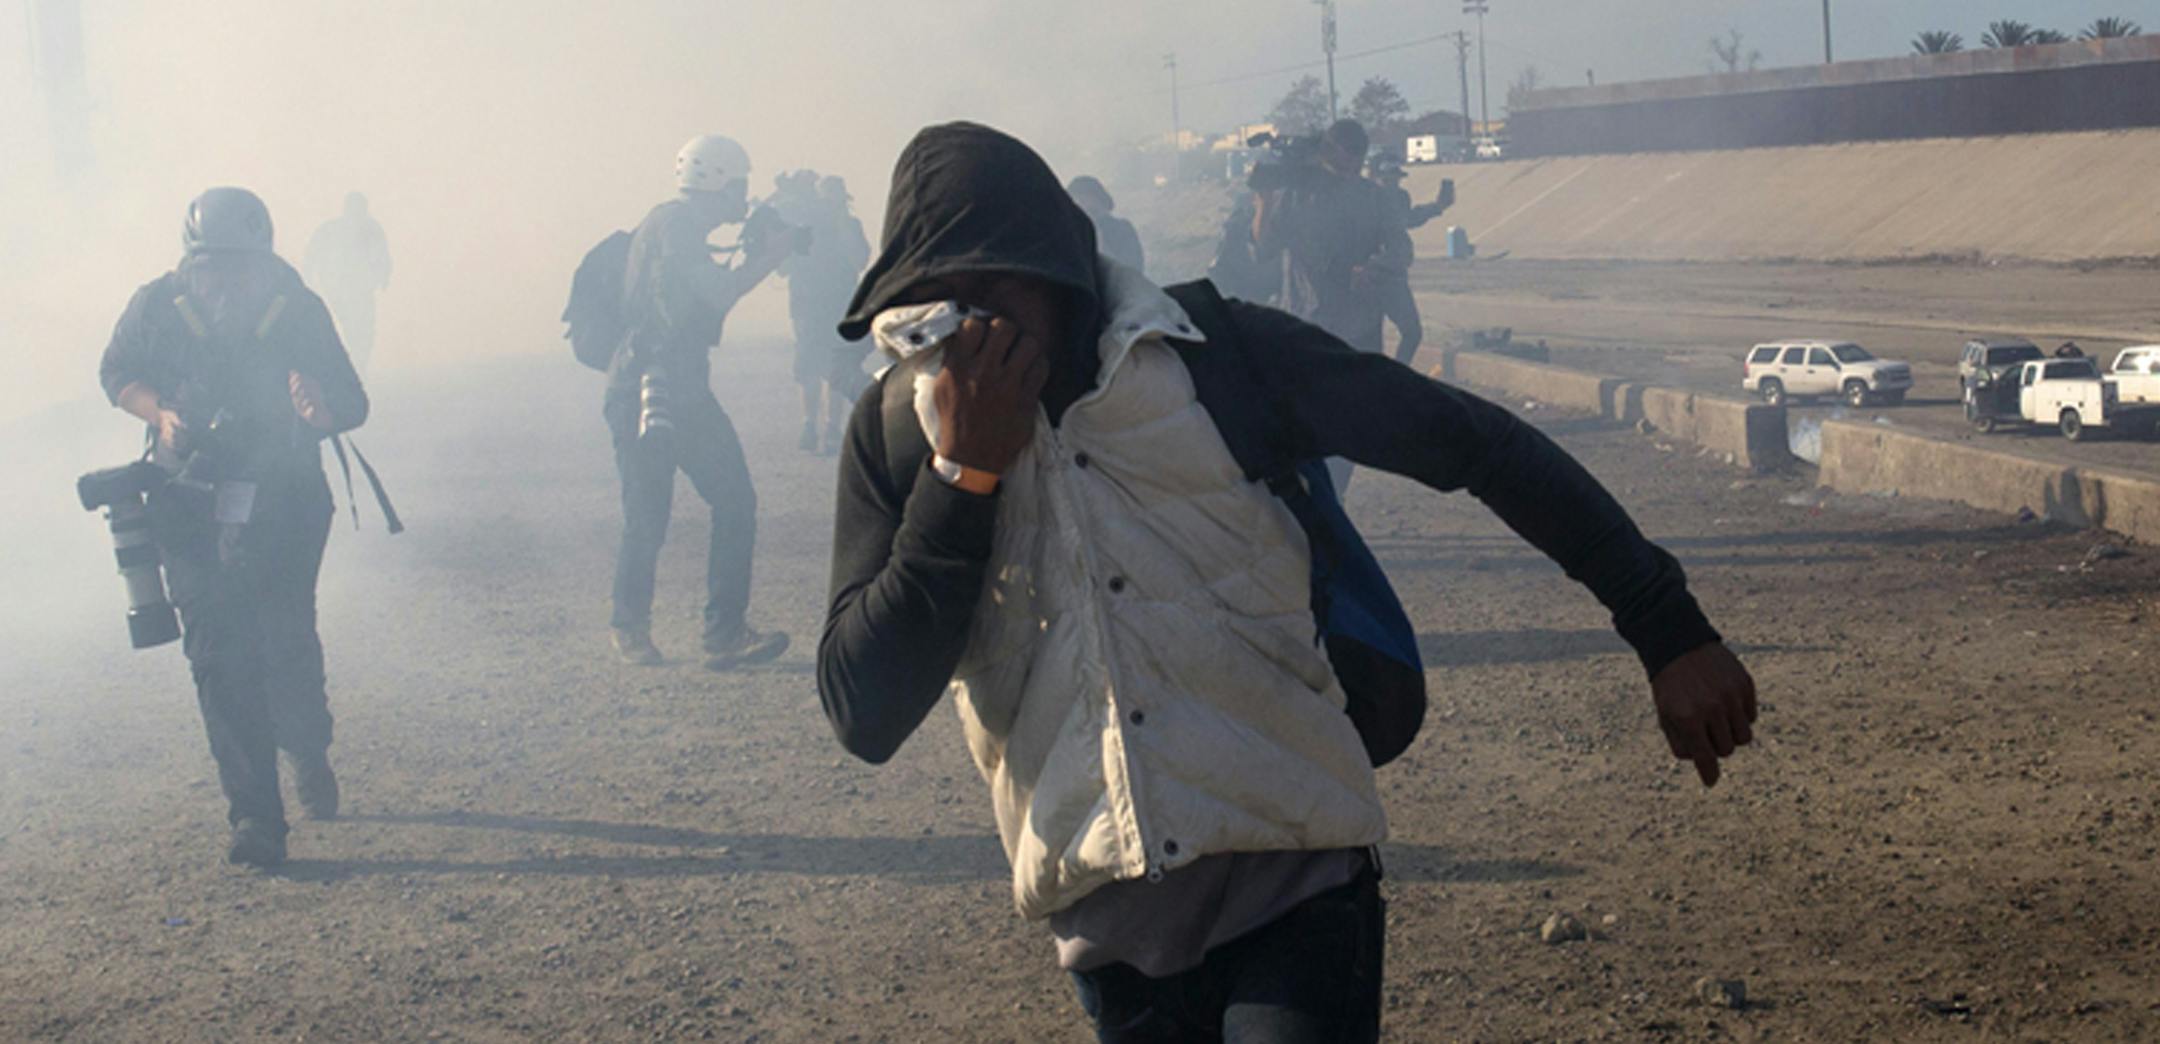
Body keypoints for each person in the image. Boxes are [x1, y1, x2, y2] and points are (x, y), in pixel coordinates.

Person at [815, 122, 1759, 1042]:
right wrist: (964, 478)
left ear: (1062, 271)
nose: (970, 332)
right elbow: (864, 709)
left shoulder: (1216, 358)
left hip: (1294, 876)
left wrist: (1665, 626)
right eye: (938, 307)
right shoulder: (901, 432)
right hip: (1105, 932)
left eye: (992, 289)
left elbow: (1477, 443)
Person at [99, 187, 370, 868]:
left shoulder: (298, 309)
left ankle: (306, 746)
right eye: (210, 267)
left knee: (283, 637)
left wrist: (318, 410)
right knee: (219, 655)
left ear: (265, 261)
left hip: (285, 503)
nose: (224, 282)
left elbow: (351, 401)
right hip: (187, 505)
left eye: (239, 267)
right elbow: (116, 373)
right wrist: (158, 415)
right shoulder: (155, 307)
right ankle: (255, 818)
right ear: (190, 263)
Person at [604, 135, 800, 669]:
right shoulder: (678, 228)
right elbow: (716, 294)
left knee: (732, 501)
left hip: (679, 386)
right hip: (650, 389)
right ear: (720, 183)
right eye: (740, 187)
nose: (744, 200)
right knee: (650, 513)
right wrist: (769, 258)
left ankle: (723, 633)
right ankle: (635, 627)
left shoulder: (672, 225)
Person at [1250, 119, 1411, 355]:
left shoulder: (1374, 198)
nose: (1348, 174)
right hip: (1305, 319)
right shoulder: (1295, 197)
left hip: (1359, 324)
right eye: (1342, 166)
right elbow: (1263, 248)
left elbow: (1402, 249)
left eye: (1355, 166)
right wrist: (1264, 202)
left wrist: (1373, 268)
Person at [777, 170, 873, 454]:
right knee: (809, 363)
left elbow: (858, 260)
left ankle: (831, 426)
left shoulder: (849, 225)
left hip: (839, 303)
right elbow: (783, 266)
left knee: (836, 362)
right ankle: (810, 423)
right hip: (808, 304)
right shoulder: (803, 226)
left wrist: (840, 223)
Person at [1367, 157, 1451, 367]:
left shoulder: (1398, 198)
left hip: (1393, 272)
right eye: (1387, 181)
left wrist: (1437, 206)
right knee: (1371, 337)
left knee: (1411, 332)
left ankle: (1394, 376)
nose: (1393, 186)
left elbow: (1407, 219)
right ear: (1375, 178)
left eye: (1395, 181)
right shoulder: (1366, 200)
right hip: (1373, 273)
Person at [302, 192, 392, 376]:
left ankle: (358, 365)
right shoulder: (331, 230)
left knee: (364, 330)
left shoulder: (371, 229)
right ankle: (347, 367)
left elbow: (383, 254)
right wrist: (310, 278)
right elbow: (312, 255)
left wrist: (384, 275)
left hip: (361, 289)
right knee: (348, 327)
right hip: (337, 289)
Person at [1067, 175, 1145, 274]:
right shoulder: (1070, 235)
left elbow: (1132, 271)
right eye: (1077, 201)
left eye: (1085, 198)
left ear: (1099, 200)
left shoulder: (1121, 229)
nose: (1082, 204)